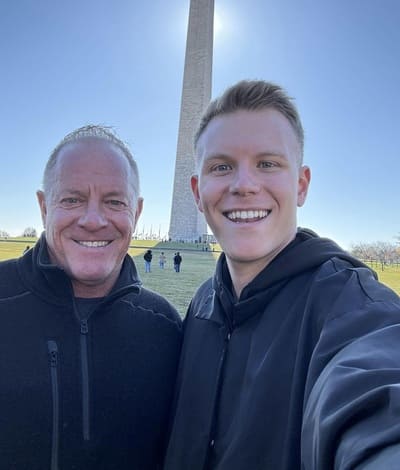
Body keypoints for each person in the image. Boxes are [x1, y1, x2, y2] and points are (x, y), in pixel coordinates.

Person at [163, 80, 400, 469]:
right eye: (222, 167)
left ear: (301, 185)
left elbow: (376, 397)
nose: (244, 185)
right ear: (196, 190)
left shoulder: (349, 306)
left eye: (268, 164)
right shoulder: (202, 306)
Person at [0, 125, 182, 469]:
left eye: (114, 202)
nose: (94, 220)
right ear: (43, 206)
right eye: (72, 199)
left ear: (137, 212)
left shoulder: (167, 328)